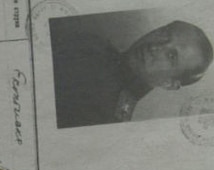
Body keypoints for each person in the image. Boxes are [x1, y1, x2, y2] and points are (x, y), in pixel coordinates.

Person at [51, 18, 213, 128]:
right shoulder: (93, 43)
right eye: (164, 33)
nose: (155, 47)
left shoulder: (107, 118)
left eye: (171, 56)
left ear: (169, 83)